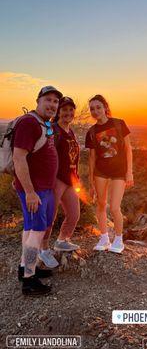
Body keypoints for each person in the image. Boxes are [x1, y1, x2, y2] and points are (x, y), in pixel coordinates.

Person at [12, 85, 63, 295]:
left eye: (55, 101)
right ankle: (29, 281)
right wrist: (30, 192)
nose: (52, 104)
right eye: (48, 99)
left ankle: (25, 267)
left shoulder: (42, 123)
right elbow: (18, 157)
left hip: (41, 188)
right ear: (38, 100)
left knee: (30, 229)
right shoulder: (29, 123)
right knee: (37, 231)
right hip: (35, 190)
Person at [85, 94, 134, 254]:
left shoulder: (119, 124)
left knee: (114, 207)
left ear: (105, 107)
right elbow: (92, 158)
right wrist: (91, 180)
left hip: (119, 172)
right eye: (92, 109)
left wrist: (129, 172)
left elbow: (128, 149)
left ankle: (118, 239)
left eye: (98, 107)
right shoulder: (91, 132)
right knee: (100, 204)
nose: (95, 111)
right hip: (100, 172)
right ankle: (104, 237)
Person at [39, 96, 80, 268]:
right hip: (55, 179)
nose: (68, 113)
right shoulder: (52, 129)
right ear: (58, 112)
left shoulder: (70, 131)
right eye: (64, 109)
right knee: (50, 216)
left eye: (71, 110)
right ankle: (43, 249)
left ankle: (62, 240)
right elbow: (44, 154)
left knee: (74, 213)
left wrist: (76, 177)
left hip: (69, 179)